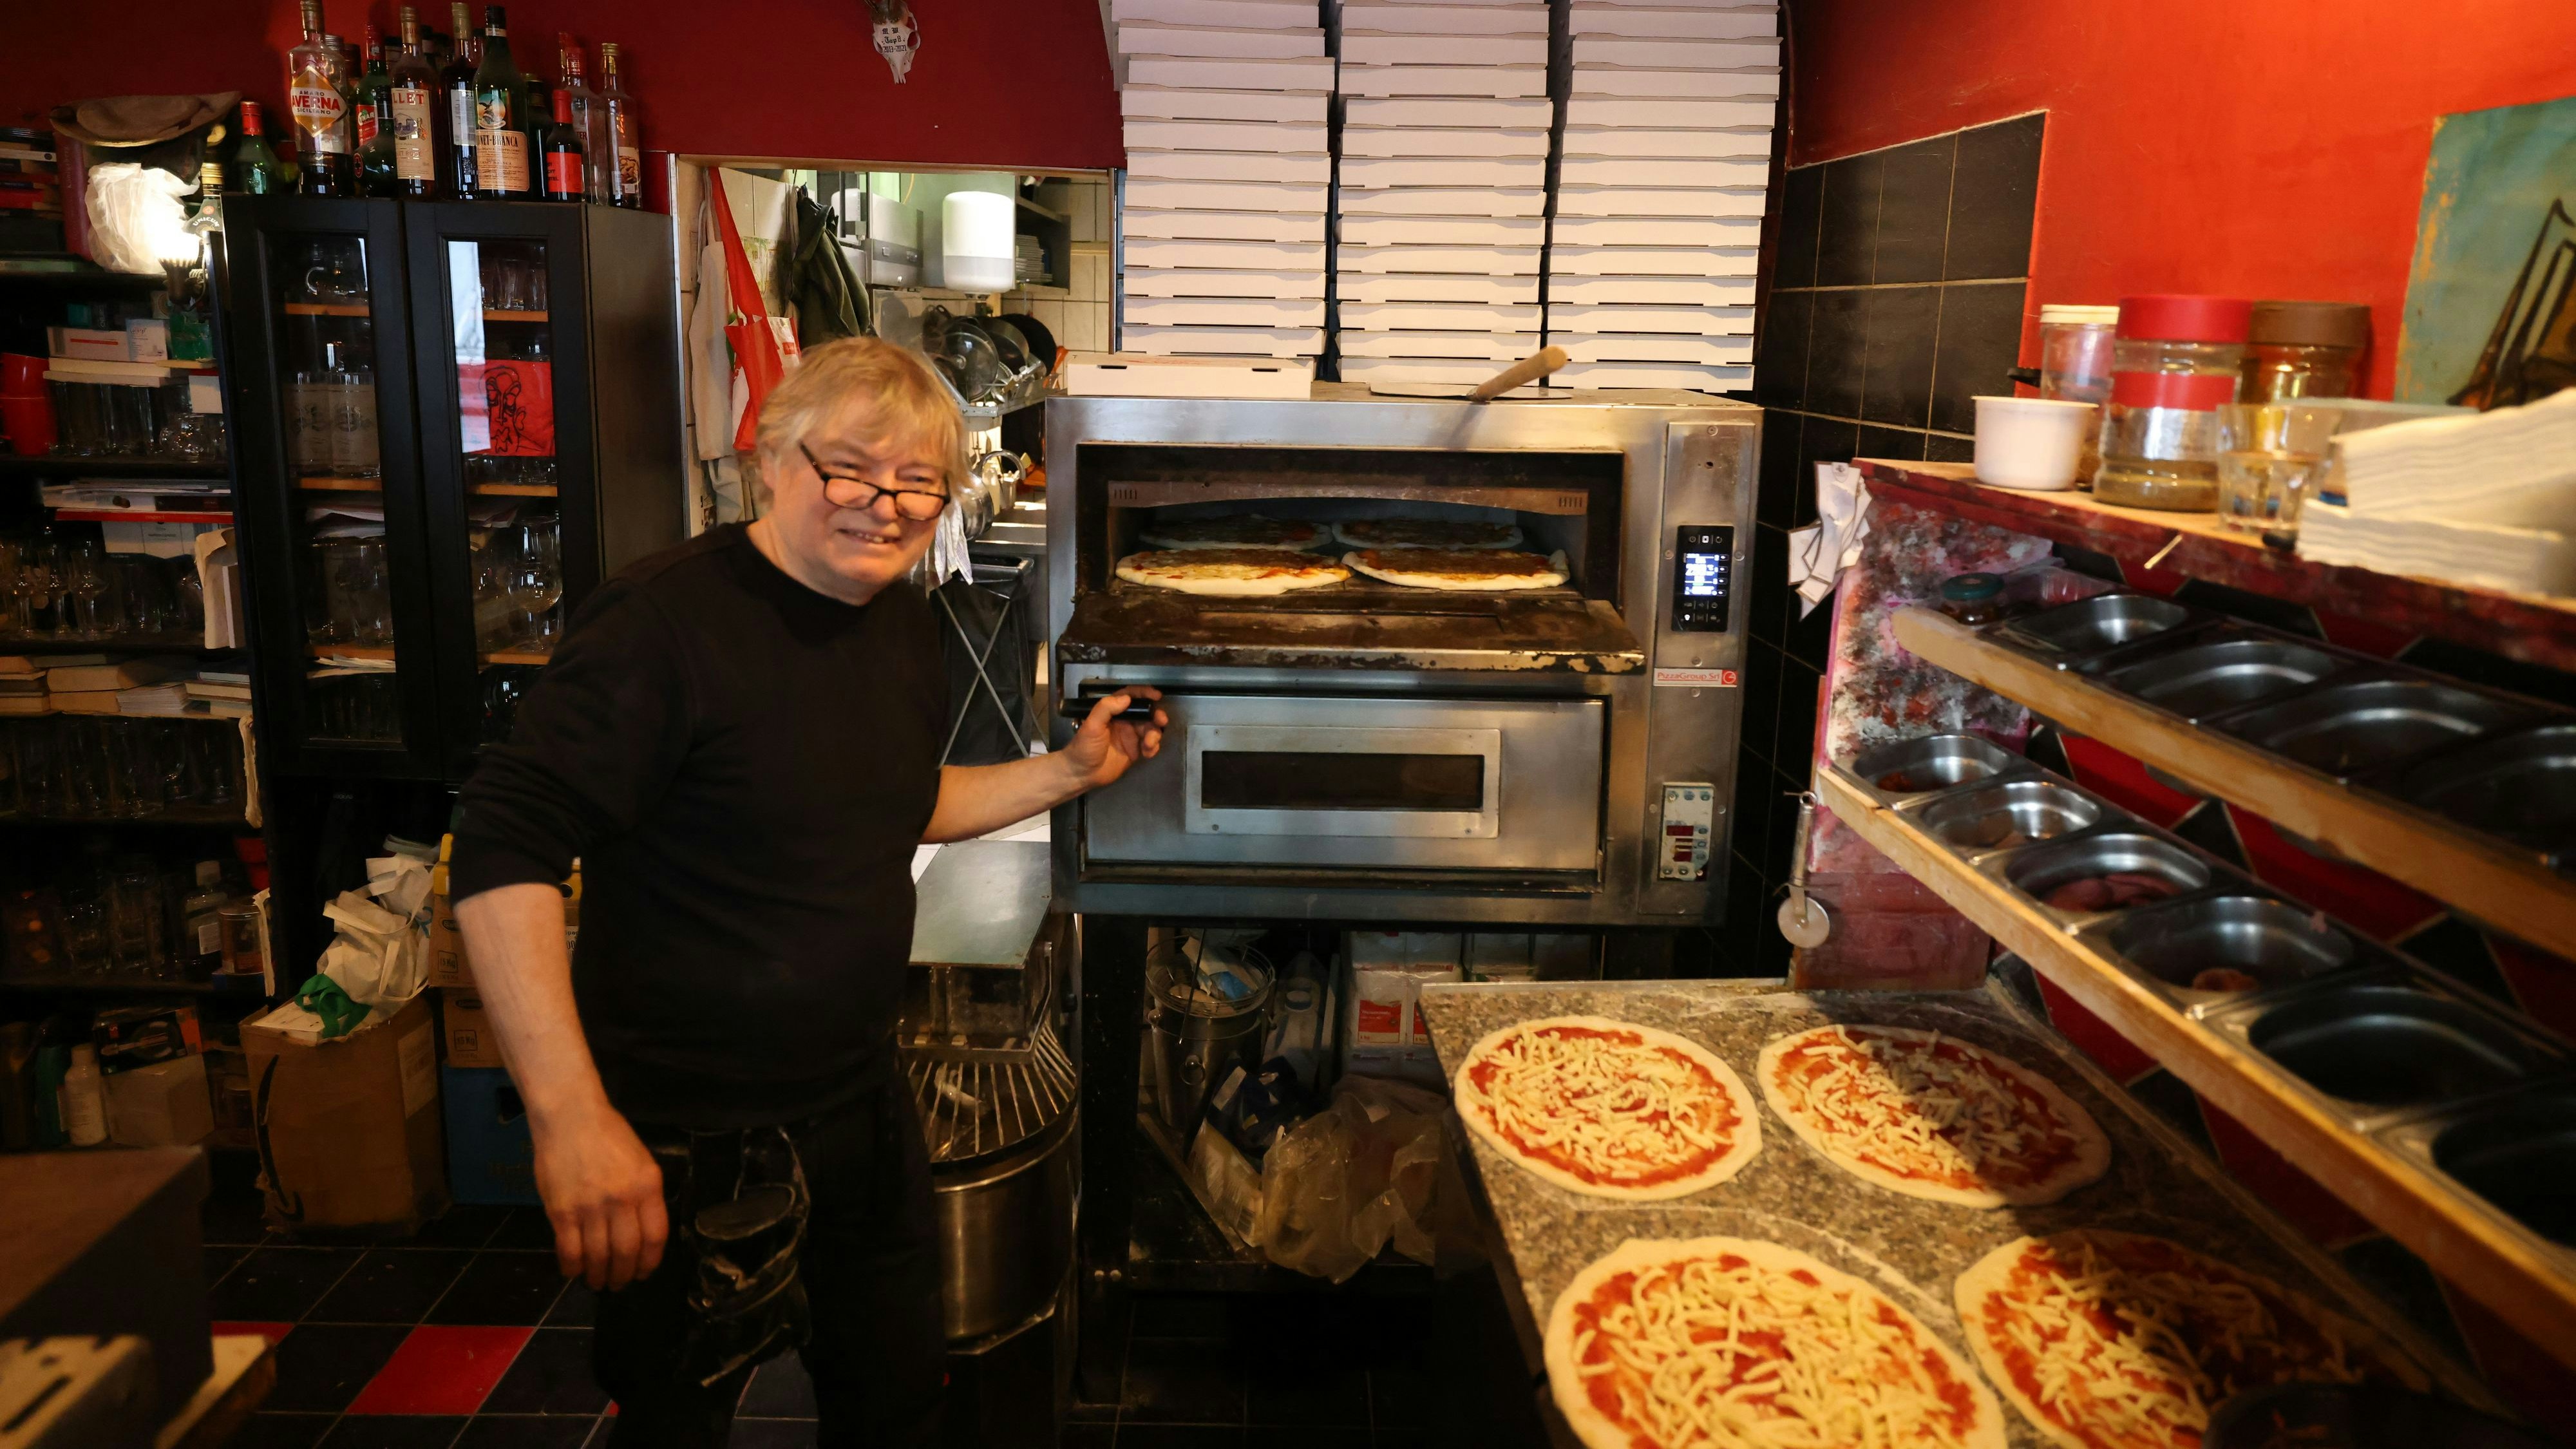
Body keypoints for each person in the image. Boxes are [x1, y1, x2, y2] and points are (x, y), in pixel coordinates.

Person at [450, 337, 1163, 1448]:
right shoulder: (661, 625)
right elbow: (503, 842)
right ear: (771, 458)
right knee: (678, 1426)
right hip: (688, 1133)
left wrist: (1070, 770)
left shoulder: (899, 622)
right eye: (852, 470)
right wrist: (570, 1115)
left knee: (892, 1406)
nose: (885, 506)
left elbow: (893, 798)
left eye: (918, 481)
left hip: (860, 1103)